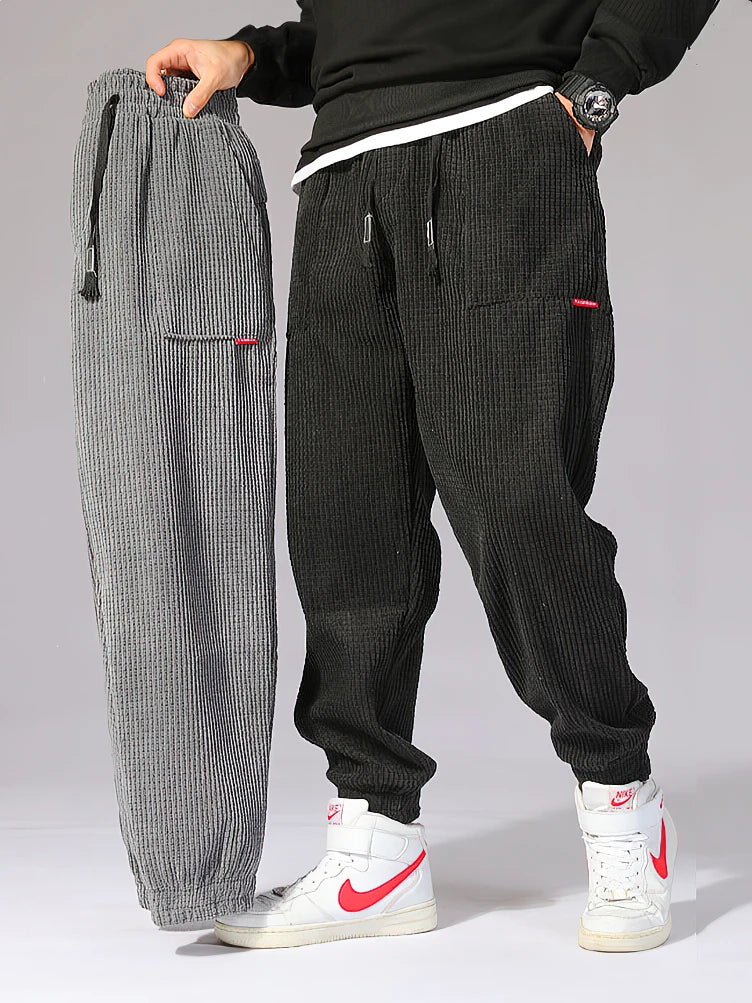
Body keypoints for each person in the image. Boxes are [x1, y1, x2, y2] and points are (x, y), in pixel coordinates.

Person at [146, 0, 717, 953]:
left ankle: (622, 801)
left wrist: (593, 91)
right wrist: (249, 54)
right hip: (341, 179)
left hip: (500, 152)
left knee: (516, 503)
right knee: (347, 516)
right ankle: (375, 845)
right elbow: (352, 29)